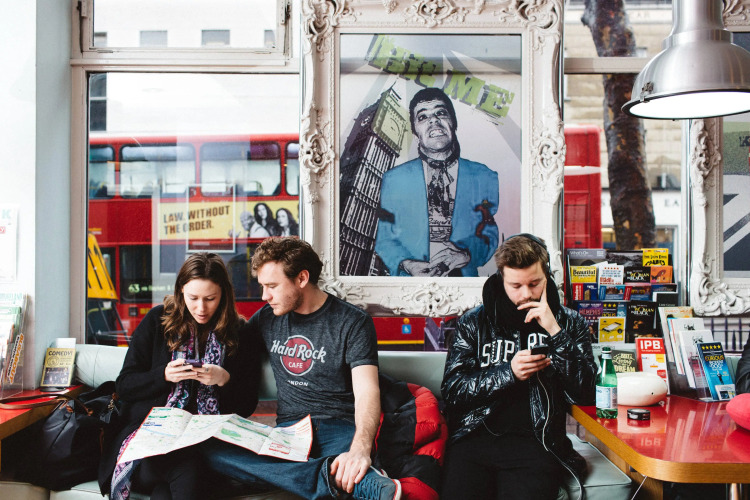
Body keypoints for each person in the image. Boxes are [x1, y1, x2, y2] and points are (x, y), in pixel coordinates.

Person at [201, 237, 401, 500]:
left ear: (302, 278)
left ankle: (302, 476)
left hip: (338, 427)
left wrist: (360, 450)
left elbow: (367, 391)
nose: (264, 296)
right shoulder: (267, 318)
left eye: (272, 286)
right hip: (288, 434)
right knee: (209, 451)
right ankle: (332, 477)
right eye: (263, 286)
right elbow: (230, 346)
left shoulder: (353, 322)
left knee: (345, 463)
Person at [441, 234, 597, 499]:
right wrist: (508, 373)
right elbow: (453, 391)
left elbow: (587, 393)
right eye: (516, 286)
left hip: (538, 442)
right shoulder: (474, 322)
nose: (526, 294)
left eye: (534, 284)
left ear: (547, 277)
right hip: (474, 436)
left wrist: (555, 331)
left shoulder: (570, 323)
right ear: (501, 279)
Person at [99, 252, 262, 500]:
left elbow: (247, 405)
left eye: (210, 298)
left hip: (207, 442)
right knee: (188, 469)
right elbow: (125, 386)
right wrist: (163, 376)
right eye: (193, 298)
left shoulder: (240, 333)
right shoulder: (158, 321)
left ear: (224, 295)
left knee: (167, 491)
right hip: (149, 442)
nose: (201, 308)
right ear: (180, 291)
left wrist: (224, 380)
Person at [375, 87, 499, 277]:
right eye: (422, 117)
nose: (433, 120)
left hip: (463, 282)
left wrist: (467, 255)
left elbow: (489, 233)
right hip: (410, 284)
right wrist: (407, 264)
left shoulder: (484, 176)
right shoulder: (394, 179)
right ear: (415, 132)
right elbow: (384, 238)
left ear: (453, 122)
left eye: (440, 113)